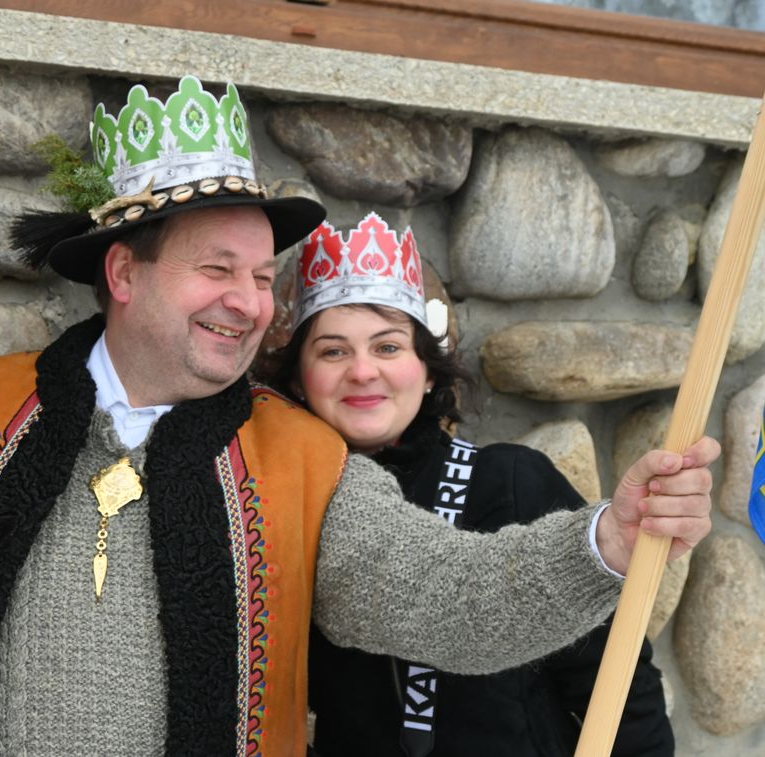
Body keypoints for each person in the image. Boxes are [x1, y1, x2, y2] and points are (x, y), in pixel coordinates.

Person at [0, 76, 715, 757]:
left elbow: (447, 595)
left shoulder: (302, 457)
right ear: (125, 272)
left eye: (264, 277)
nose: (250, 302)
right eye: (218, 269)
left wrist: (604, 543)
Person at [276, 214, 673, 757]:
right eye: (333, 351)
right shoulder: (281, 502)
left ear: (428, 371)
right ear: (299, 380)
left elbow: (619, 676)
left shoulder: (510, 481)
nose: (363, 371)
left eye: (388, 347)